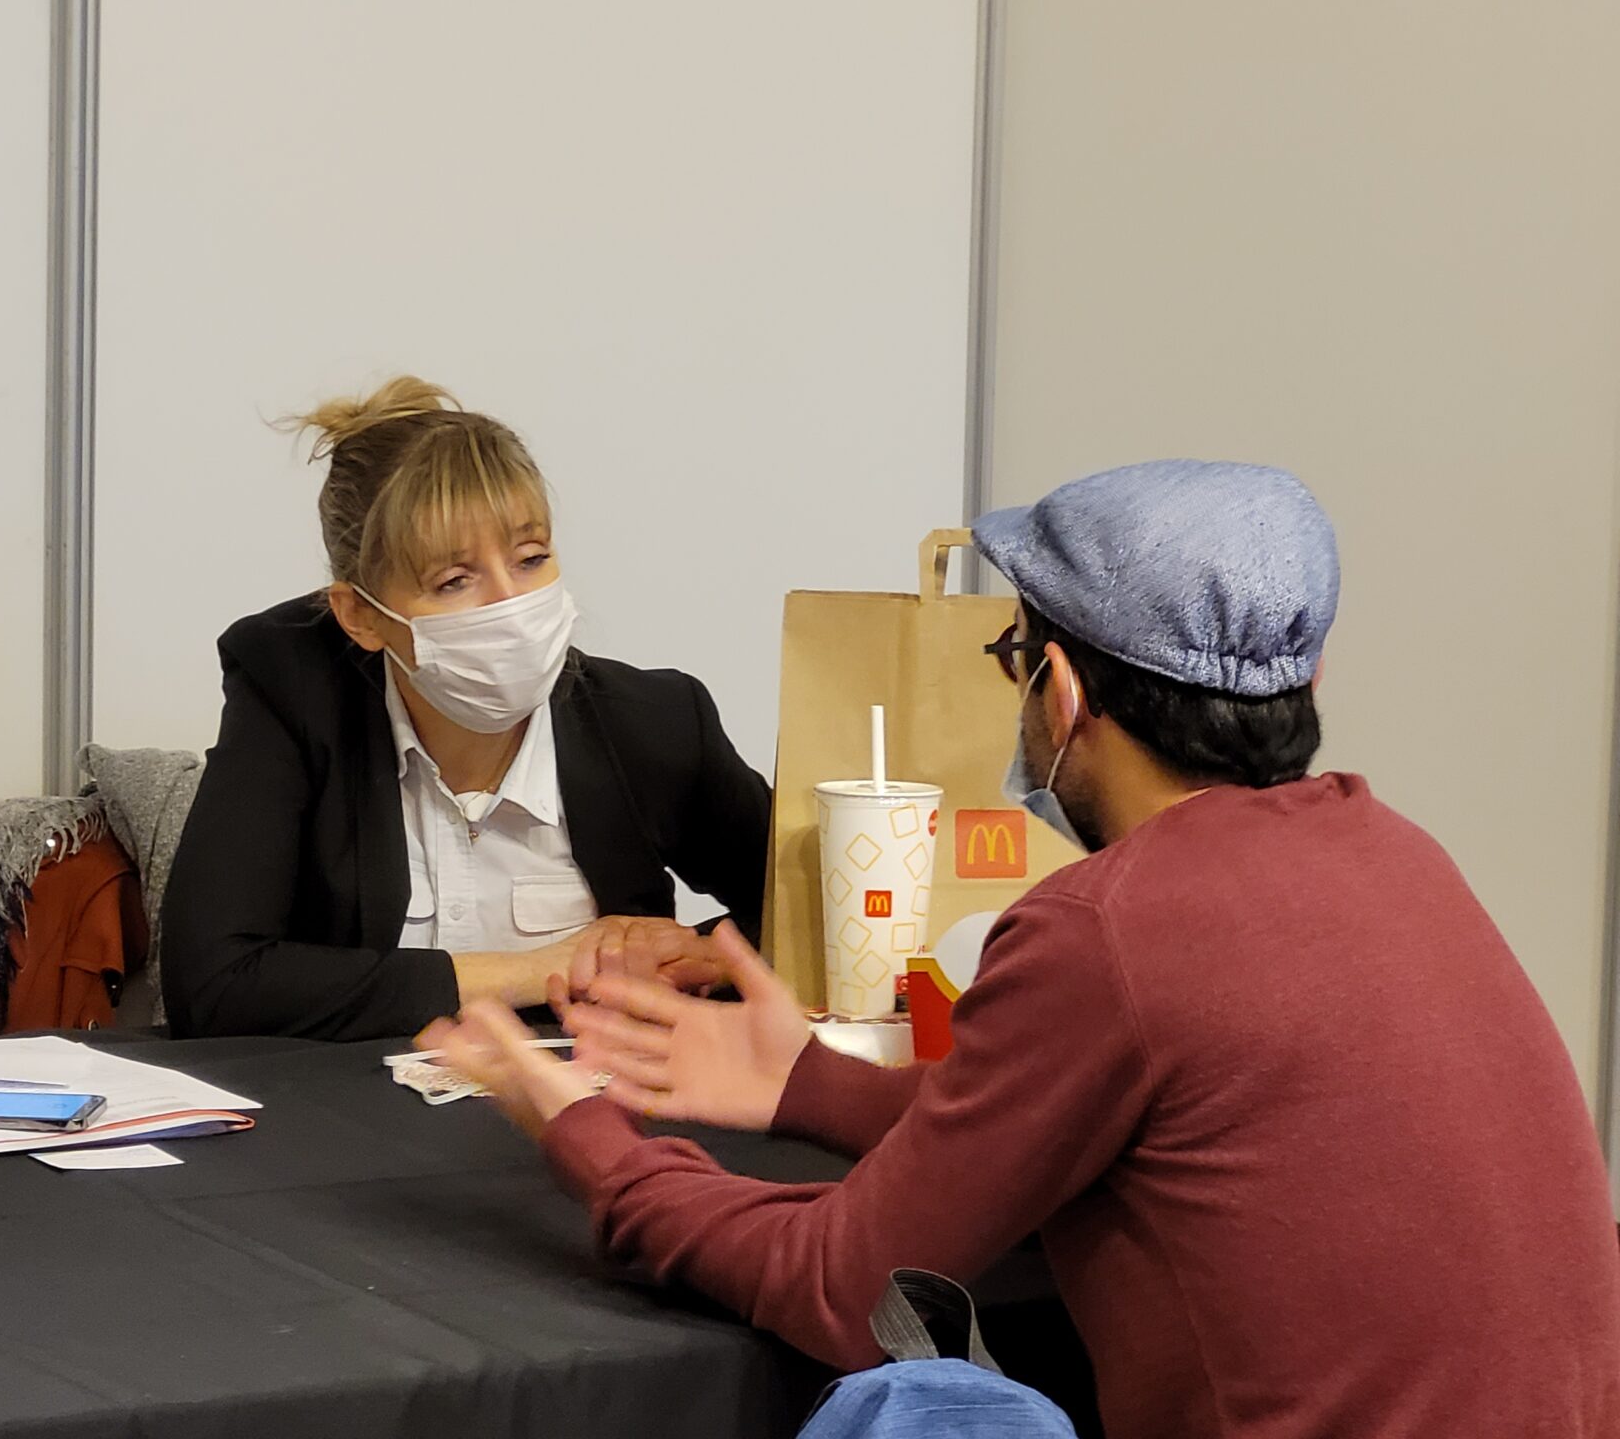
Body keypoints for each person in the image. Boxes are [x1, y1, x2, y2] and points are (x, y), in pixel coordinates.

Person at [424, 460, 1620, 1438]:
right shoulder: (1397, 852)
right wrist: (807, 1083)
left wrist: (589, 1138)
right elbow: (1098, 1119)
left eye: (1011, 660)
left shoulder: (1107, 925)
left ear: (1058, 693)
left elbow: (843, 1292)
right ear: (1303, 673)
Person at [161, 377, 773, 1042]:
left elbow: (818, 912)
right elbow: (213, 985)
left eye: (531, 559)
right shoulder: (293, 696)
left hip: (596, 1095)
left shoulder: (654, 723)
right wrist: (547, 968)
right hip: (351, 1103)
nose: (511, 604)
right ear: (361, 616)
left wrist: (710, 955)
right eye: (455, 580)